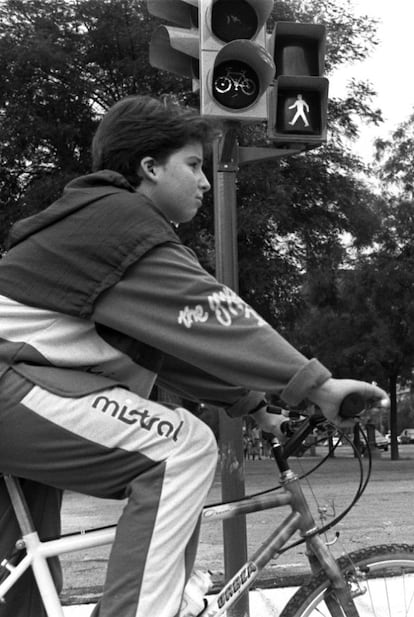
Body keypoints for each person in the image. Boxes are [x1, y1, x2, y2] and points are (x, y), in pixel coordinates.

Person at [0, 95, 388, 617]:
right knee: (180, 449)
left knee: (24, 570)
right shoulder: (121, 222)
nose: (205, 182)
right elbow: (209, 315)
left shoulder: (94, 230)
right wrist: (317, 385)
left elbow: (170, 350)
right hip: (11, 386)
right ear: (150, 168)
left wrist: (254, 407)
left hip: (23, 395)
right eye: (193, 164)